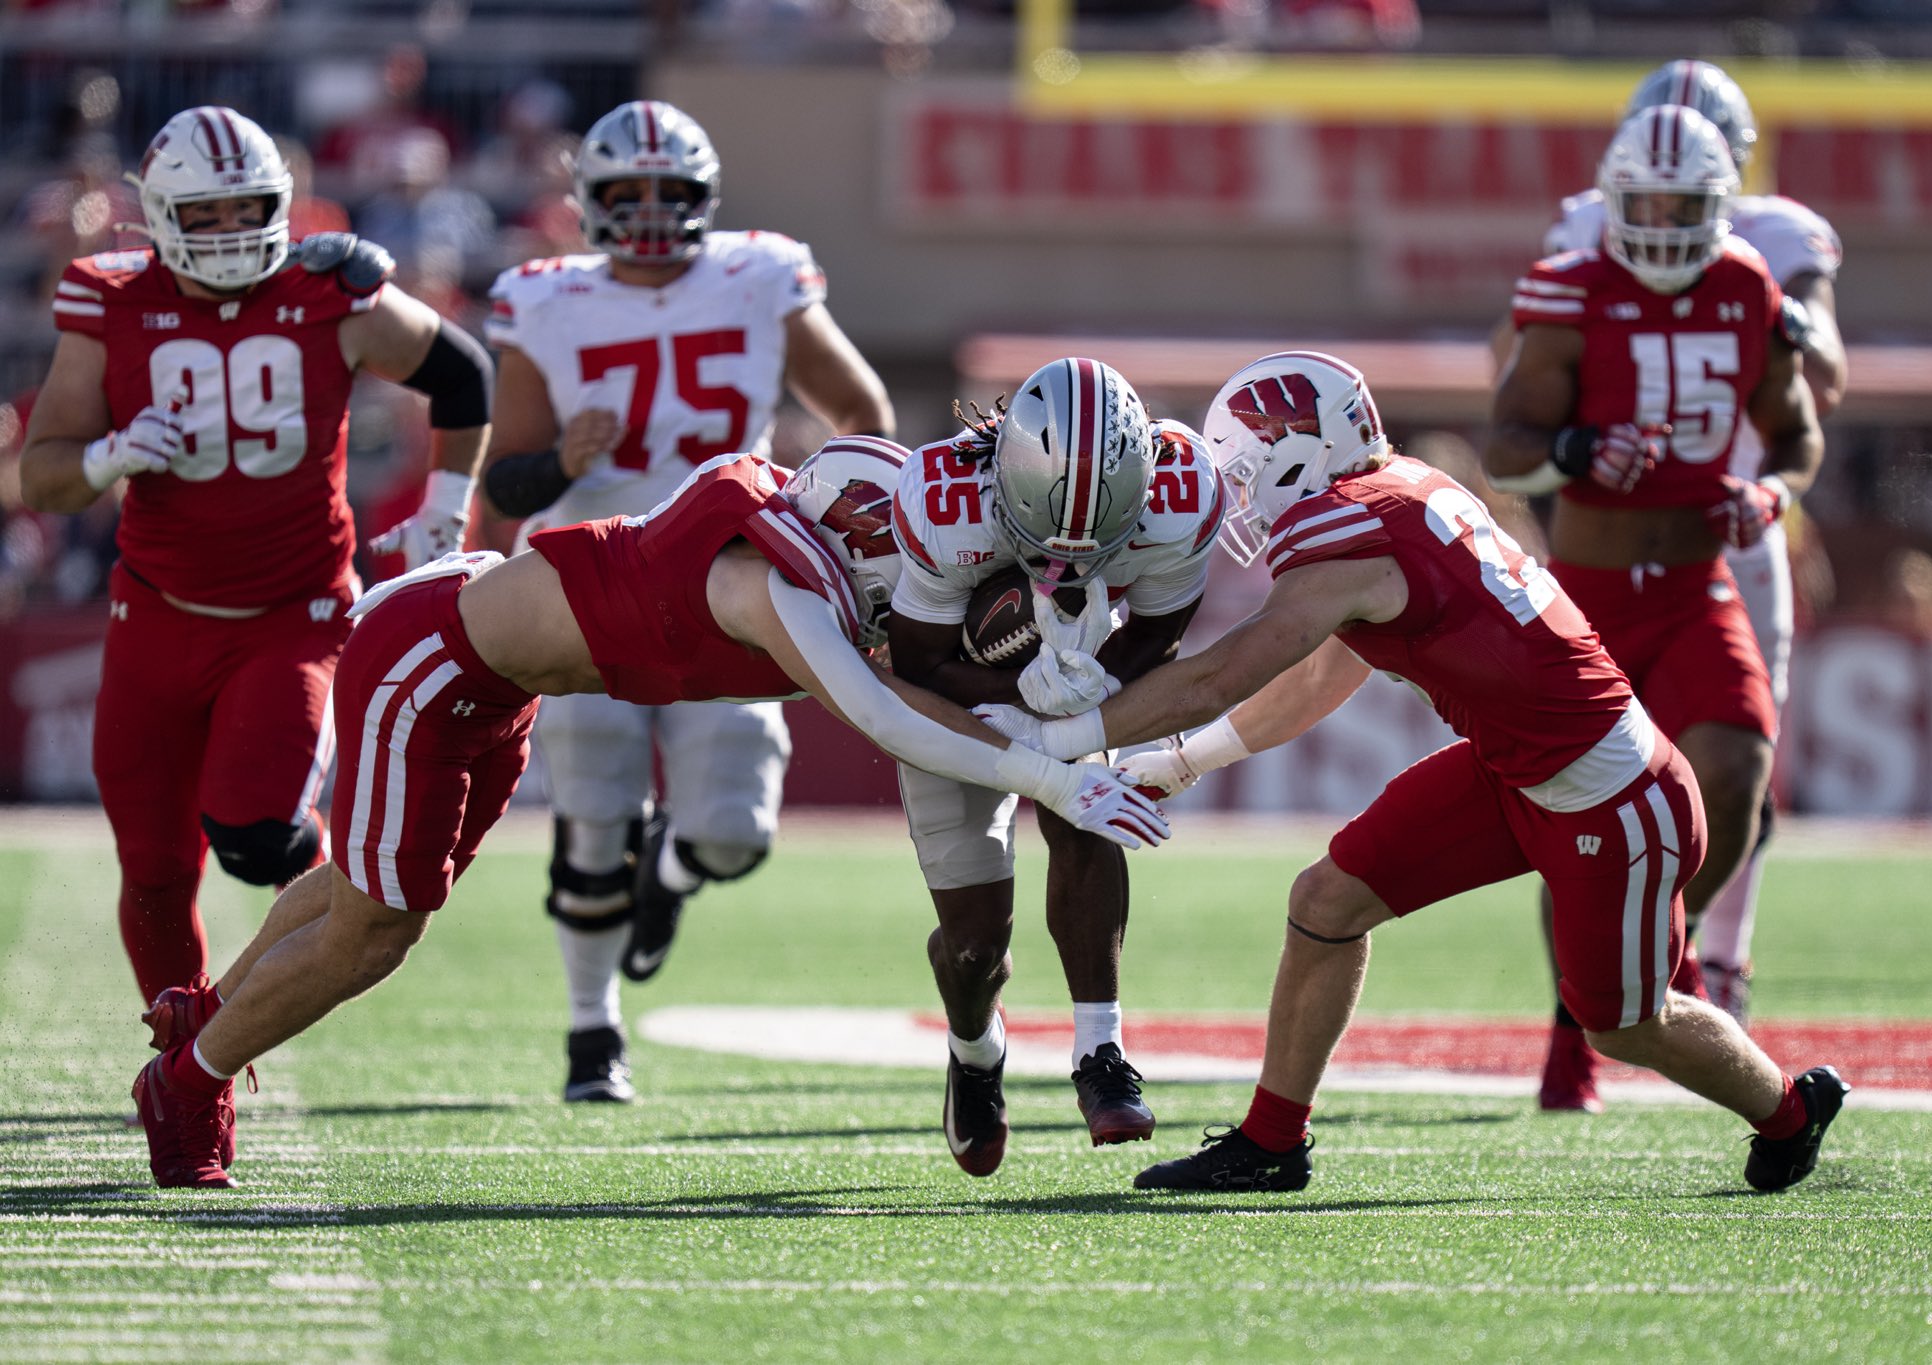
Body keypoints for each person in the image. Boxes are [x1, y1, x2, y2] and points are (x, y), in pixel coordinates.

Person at [129, 441, 1169, 1189]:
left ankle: (203, 1009)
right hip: (434, 664)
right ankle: (187, 1082)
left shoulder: (804, 533)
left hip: (491, 681)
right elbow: (884, 714)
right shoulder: (771, 584)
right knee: (378, 931)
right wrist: (1057, 780)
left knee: (373, 893)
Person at [981, 351, 1847, 1195]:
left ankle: (1788, 1112)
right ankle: (1270, 1144)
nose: (1243, 495)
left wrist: (1059, 734)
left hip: (1611, 797)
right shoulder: (1399, 495)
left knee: (1623, 1026)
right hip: (1517, 770)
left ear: (1302, 450)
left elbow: (1223, 674)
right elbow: (1319, 680)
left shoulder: (1351, 529)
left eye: (1247, 471)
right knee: (1326, 902)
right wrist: (1183, 759)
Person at [18, 106, 492, 1008]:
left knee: (256, 836)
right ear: (162, 217)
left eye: (249, 208)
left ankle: (307, 918)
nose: (233, 230)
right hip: (154, 615)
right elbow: (44, 478)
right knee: (154, 867)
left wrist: (445, 509)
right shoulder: (112, 300)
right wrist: (109, 455)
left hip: (293, 616)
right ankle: (184, 1049)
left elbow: (462, 373)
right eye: (208, 213)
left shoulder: (326, 291)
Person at [480, 99, 896, 1103]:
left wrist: (827, 507)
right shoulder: (546, 299)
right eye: (628, 193)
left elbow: (861, 413)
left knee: (733, 831)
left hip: (728, 573)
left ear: (704, 196)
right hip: (584, 576)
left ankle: (669, 871)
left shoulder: (758, 276)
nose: (651, 212)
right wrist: (559, 462)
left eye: (669, 192)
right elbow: (508, 478)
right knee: (591, 818)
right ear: (590, 200)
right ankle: (592, 1031)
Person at [1482, 105, 1823, 1113]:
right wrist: (1579, 450)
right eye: (1650, 203)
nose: (1666, 221)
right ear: (1615, 204)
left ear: (1720, 205)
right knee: (1578, 815)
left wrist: (1770, 493)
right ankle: (1577, 1021)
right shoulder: (1569, 289)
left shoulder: (1746, 287)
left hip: (1694, 585)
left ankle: (1658, 954)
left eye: (1685, 204)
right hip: (1587, 598)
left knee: (1739, 773)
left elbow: (1797, 432)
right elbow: (1506, 444)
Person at [884, 356, 1223, 1175]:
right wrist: (1018, 695)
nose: (1066, 562)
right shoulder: (945, 498)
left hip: (1077, 670)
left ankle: (1101, 1051)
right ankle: (975, 1048)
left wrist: (1084, 697)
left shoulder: (1183, 492)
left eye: (1096, 544)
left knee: (1086, 808)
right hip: (960, 702)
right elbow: (918, 665)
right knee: (976, 947)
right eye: (1042, 541)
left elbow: (1158, 636)